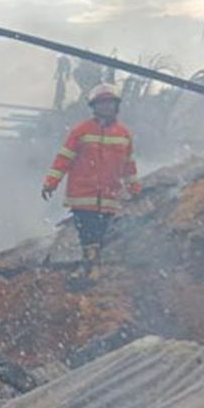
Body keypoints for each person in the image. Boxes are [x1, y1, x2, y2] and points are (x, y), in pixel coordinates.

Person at [42, 83, 140, 286]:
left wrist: (134, 188)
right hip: (82, 195)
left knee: (99, 235)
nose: (106, 107)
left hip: (109, 197)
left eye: (110, 103)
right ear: (94, 107)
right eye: (102, 104)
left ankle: (88, 268)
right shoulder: (81, 131)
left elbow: (129, 166)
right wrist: (51, 182)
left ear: (116, 106)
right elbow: (64, 158)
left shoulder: (124, 134)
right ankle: (92, 270)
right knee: (88, 232)